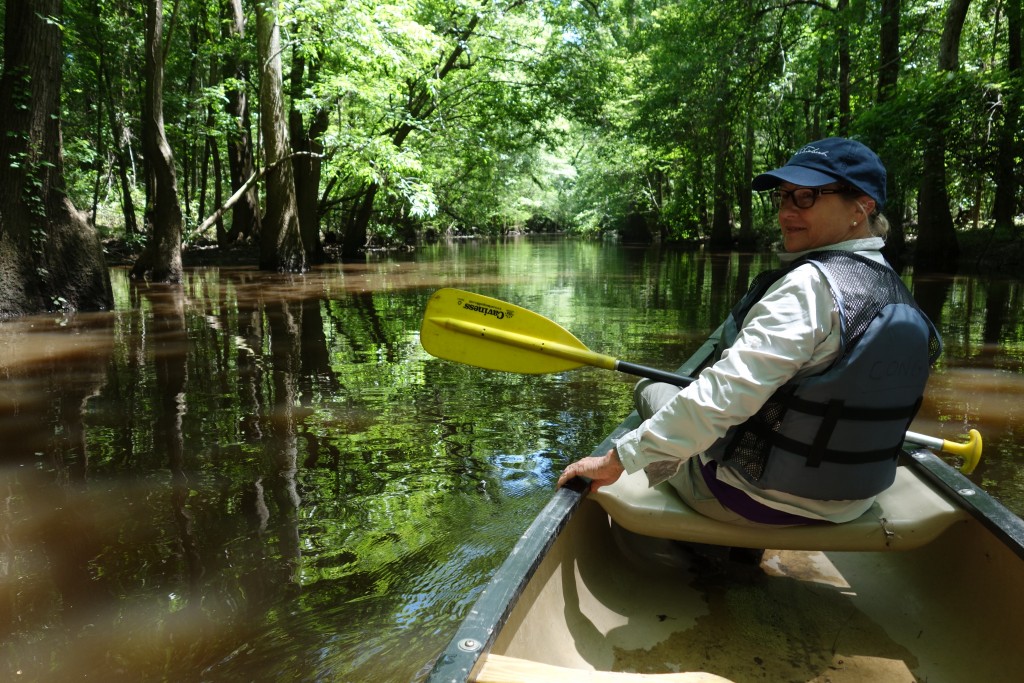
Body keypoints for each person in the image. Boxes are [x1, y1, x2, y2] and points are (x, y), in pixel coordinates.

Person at [556, 137, 941, 526]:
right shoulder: (895, 289)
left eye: (806, 197)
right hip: (855, 502)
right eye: (783, 197)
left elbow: (724, 395)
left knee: (650, 391)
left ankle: (699, 548)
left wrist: (615, 459)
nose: (787, 212)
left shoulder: (809, 286)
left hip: (755, 499)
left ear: (862, 206)